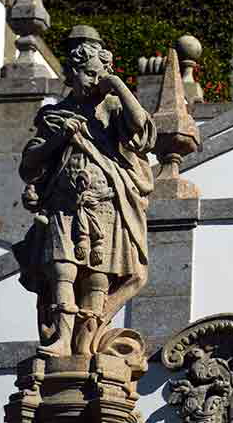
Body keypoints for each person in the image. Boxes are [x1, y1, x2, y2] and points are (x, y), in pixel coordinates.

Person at [16, 26, 156, 357]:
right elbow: (29, 163)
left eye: (98, 74)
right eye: (87, 74)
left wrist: (118, 86)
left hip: (106, 204)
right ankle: (62, 339)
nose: (92, 81)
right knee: (61, 270)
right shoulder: (53, 115)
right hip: (64, 206)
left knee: (98, 277)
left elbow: (143, 130)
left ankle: (86, 343)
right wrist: (59, 137)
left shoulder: (111, 109)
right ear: (71, 73)